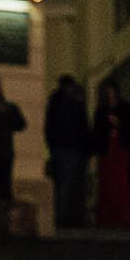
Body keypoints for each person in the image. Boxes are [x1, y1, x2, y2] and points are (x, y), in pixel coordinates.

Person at [44, 74, 90, 229]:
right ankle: (65, 217)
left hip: (67, 147)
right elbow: (79, 125)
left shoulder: (57, 101)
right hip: (69, 147)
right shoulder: (69, 101)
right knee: (67, 184)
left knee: (66, 184)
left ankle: (67, 216)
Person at [92, 80, 130, 230]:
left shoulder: (125, 108)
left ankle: (122, 218)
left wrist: (119, 124)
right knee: (107, 184)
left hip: (120, 150)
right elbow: (97, 130)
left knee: (121, 184)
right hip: (107, 151)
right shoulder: (102, 109)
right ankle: (107, 219)